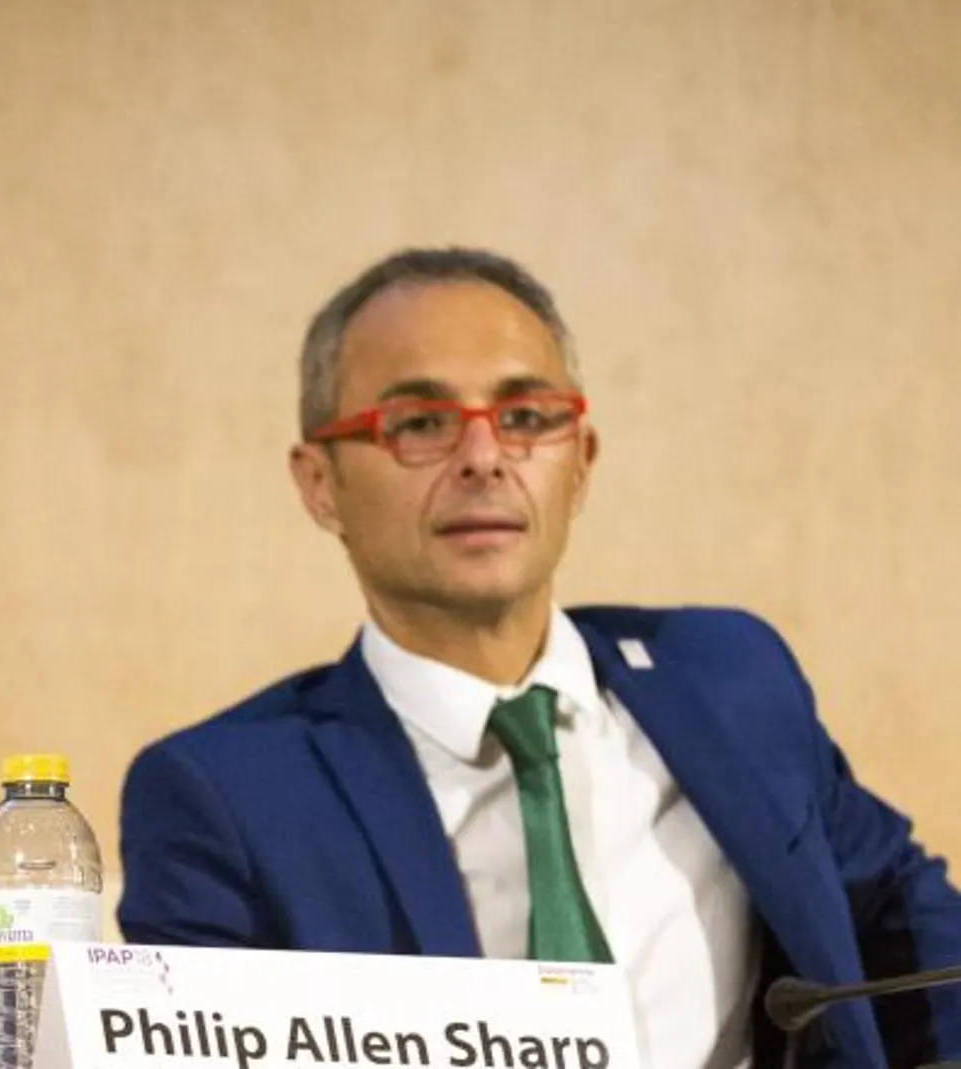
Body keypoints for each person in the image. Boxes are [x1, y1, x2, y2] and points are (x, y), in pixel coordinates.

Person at [116, 248, 961, 1068]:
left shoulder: (728, 679)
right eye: (420, 425)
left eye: (525, 418)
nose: (483, 459)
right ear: (320, 484)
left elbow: (906, 926)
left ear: (581, 461)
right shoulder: (227, 795)